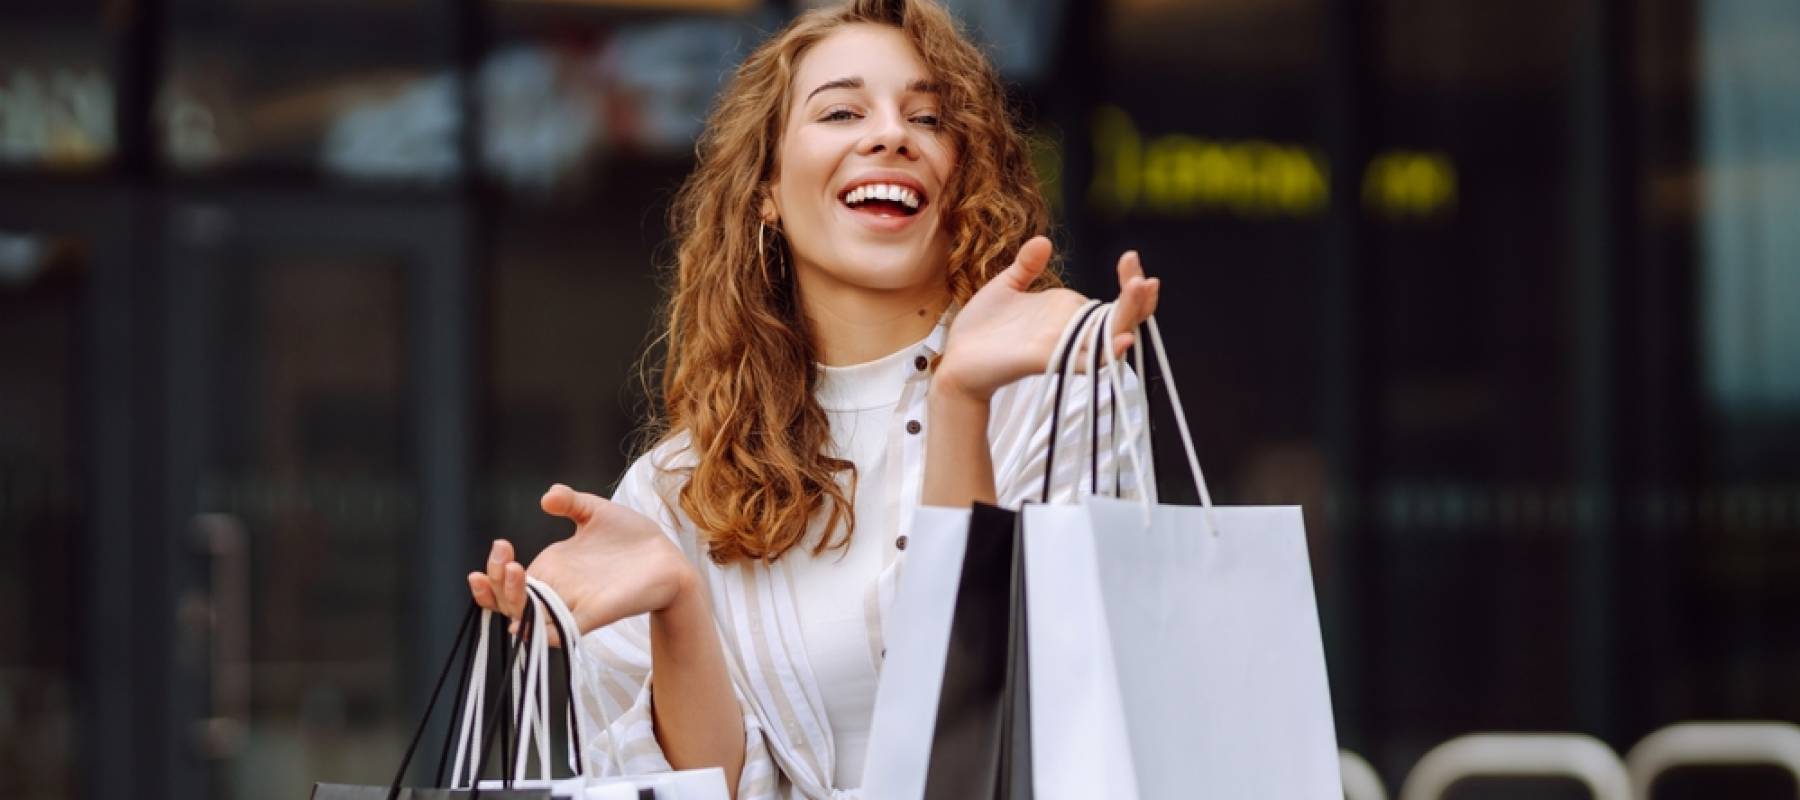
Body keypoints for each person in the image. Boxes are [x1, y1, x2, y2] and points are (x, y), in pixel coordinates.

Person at [466, 0, 1161, 796]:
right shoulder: (673, 489)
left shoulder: (1055, 391)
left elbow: (1026, 713)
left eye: (928, 117)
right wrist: (679, 606)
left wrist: (964, 399)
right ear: (765, 188)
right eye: (841, 110)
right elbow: (701, 793)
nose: (891, 133)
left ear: (962, 176)